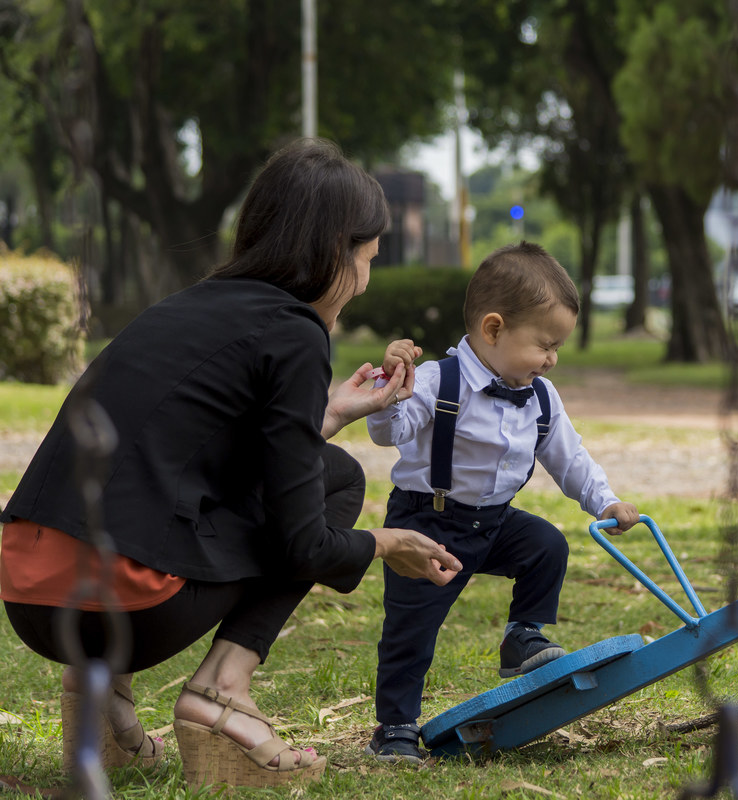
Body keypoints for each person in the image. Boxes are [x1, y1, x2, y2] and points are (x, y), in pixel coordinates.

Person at [0, 138, 463, 788]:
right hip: (126, 609)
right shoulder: (296, 331)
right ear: (335, 251)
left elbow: (189, 451)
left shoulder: (182, 307)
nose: (363, 282)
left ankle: (103, 702)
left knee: (305, 470)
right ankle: (221, 697)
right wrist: (386, 544)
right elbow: (304, 543)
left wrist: (324, 414)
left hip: (28, 592)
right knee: (341, 481)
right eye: (365, 260)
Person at [363, 241, 640, 764]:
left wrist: (605, 501)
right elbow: (388, 431)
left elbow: (570, 457)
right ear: (494, 329)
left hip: (492, 522)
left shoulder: (541, 395)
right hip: (427, 523)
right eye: (545, 345)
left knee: (545, 546)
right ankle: (396, 725)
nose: (552, 359)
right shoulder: (435, 382)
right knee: (411, 629)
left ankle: (522, 638)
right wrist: (388, 391)